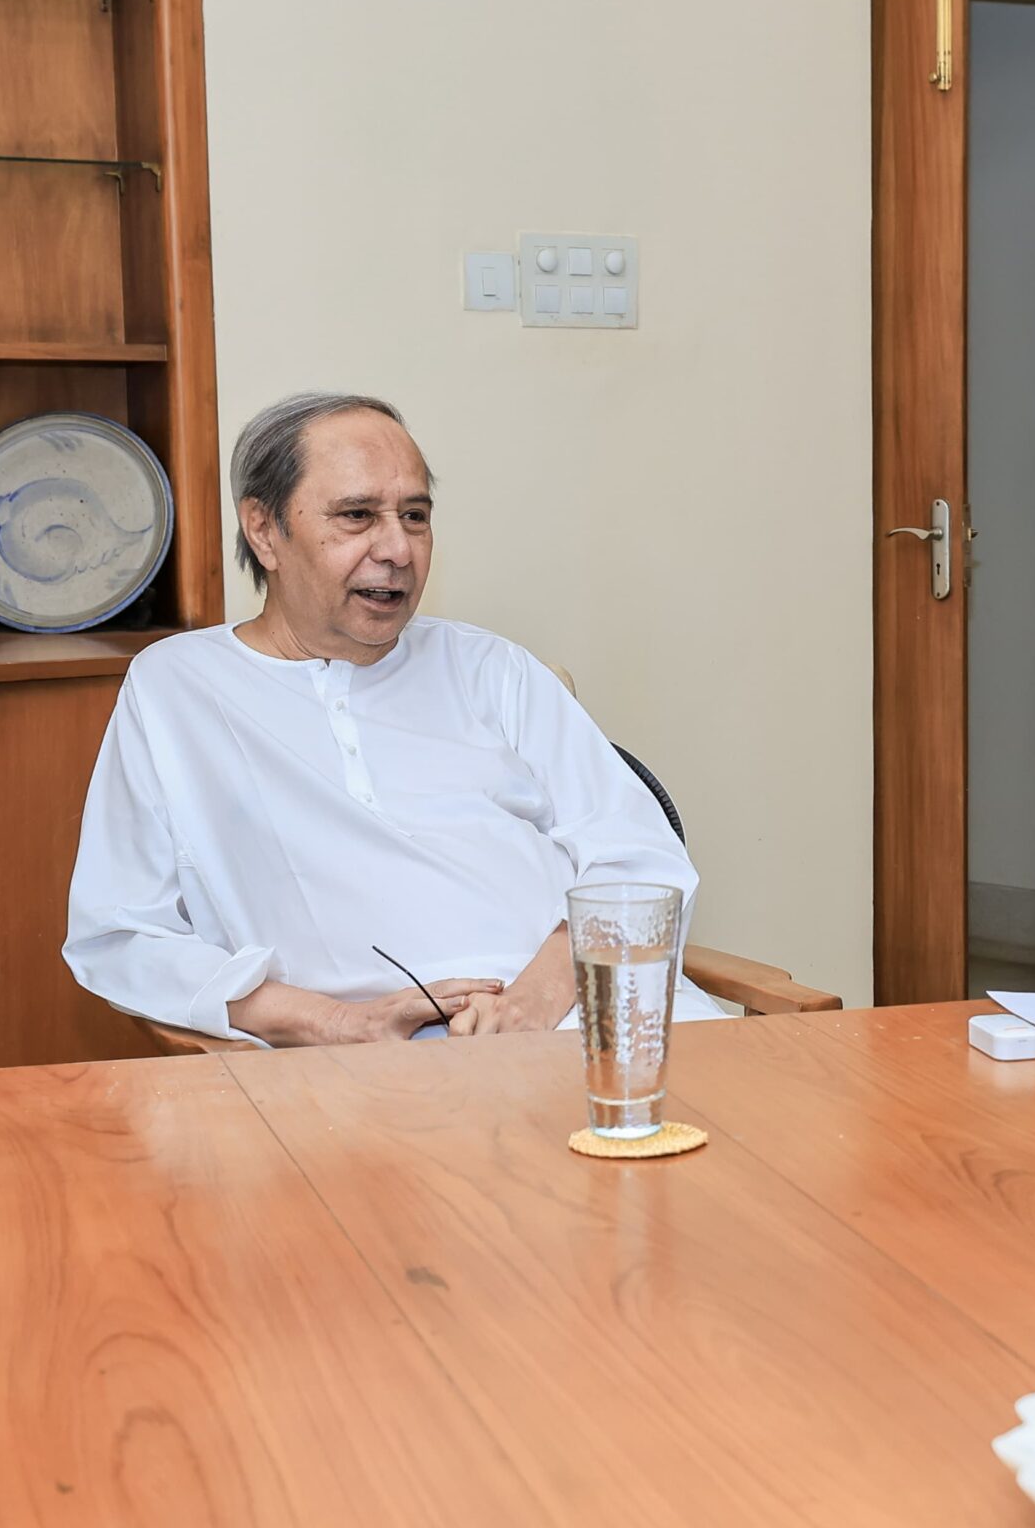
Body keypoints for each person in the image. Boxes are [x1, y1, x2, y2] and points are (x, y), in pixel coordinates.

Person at [65, 391, 722, 1045]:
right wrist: (336, 1023)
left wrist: (533, 1002)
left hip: (617, 1013)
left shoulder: (493, 669)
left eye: (415, 516)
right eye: (356, 515)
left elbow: (643, 861)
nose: (398, 550)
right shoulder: (179, 689)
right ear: (264, 529)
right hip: (395, 1070)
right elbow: (121, 936)